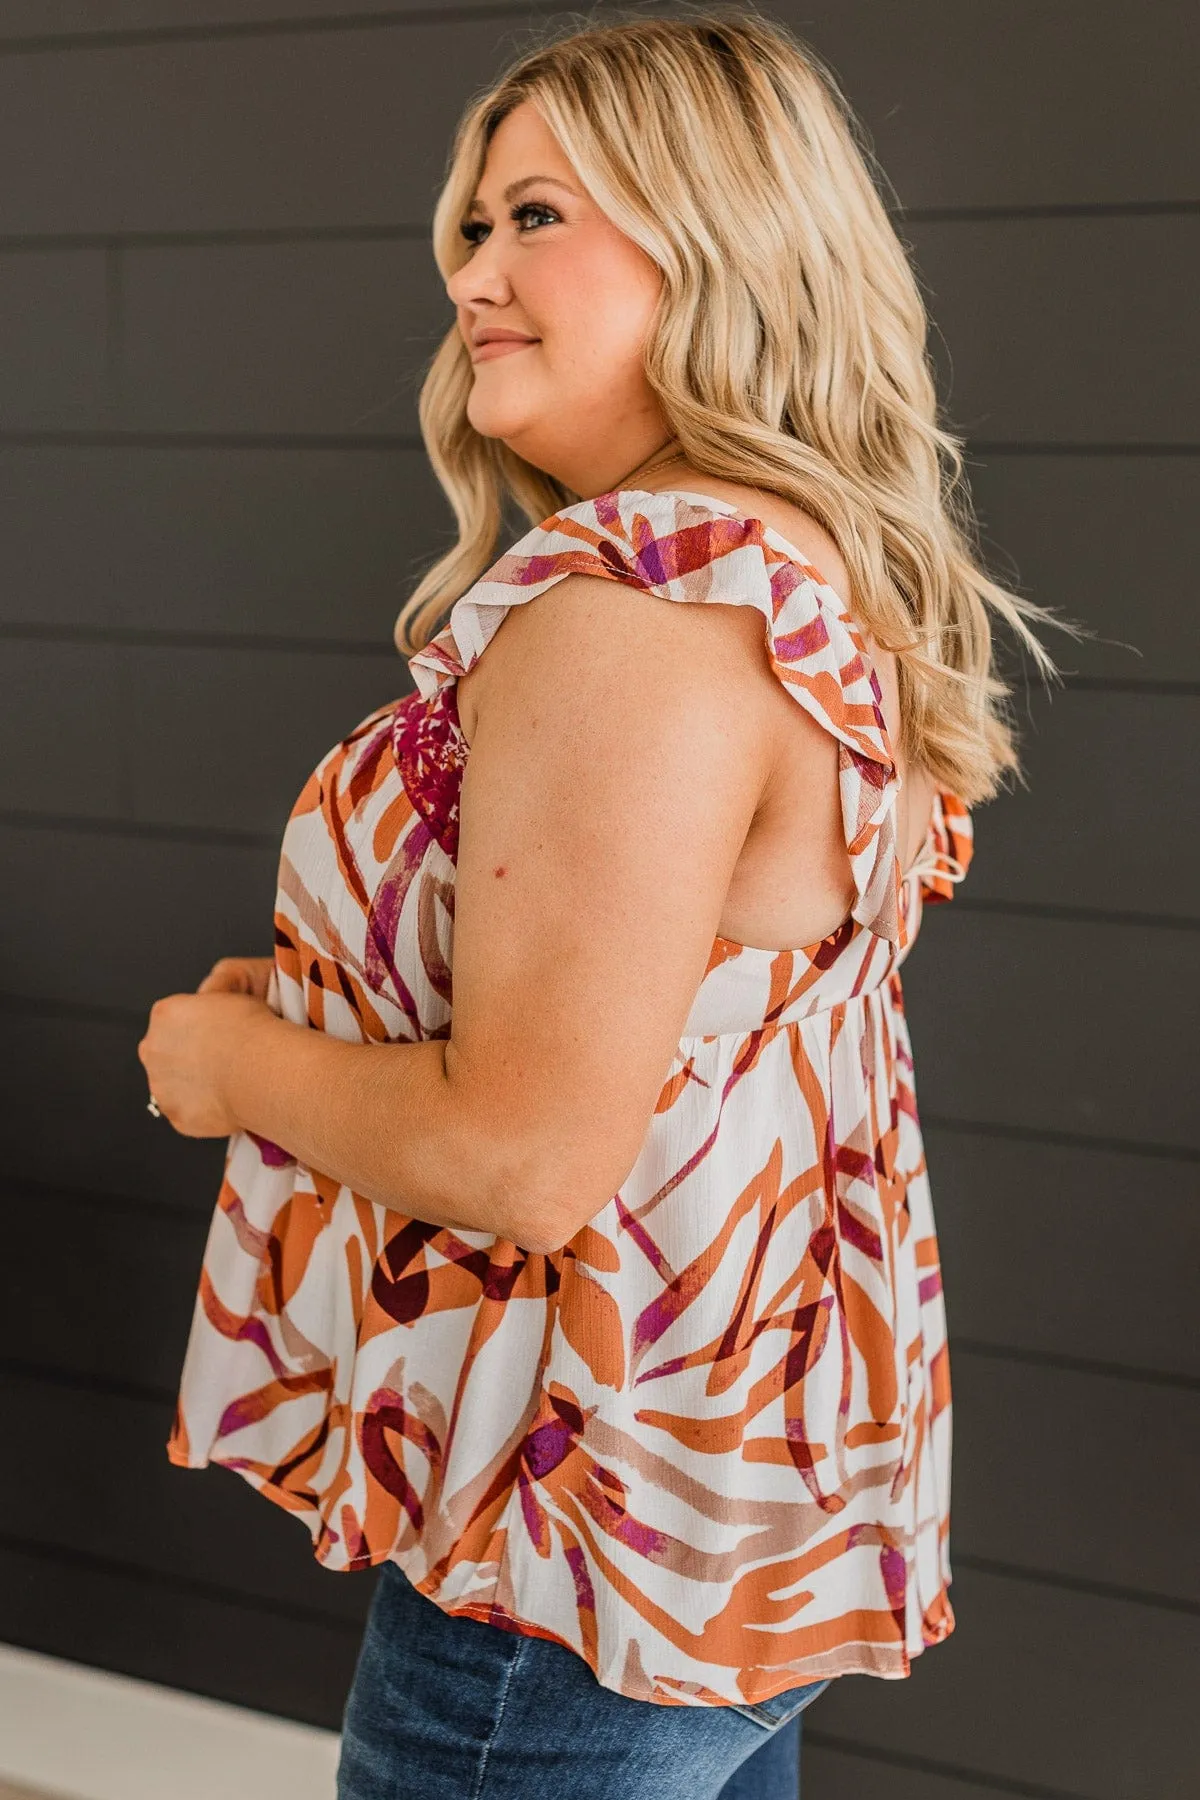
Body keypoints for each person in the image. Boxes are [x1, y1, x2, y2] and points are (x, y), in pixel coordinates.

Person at [138, 9, 1063, 1797]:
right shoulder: (795, 575)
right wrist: (360, 993)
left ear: (717, 239)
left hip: (570, 1538)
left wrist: (231, 1065)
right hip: (713, 1531)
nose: (476, 273)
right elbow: (711, 1025)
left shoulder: (635, 605)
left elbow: (525, 1158)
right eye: (473, 229)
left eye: (536, 217)